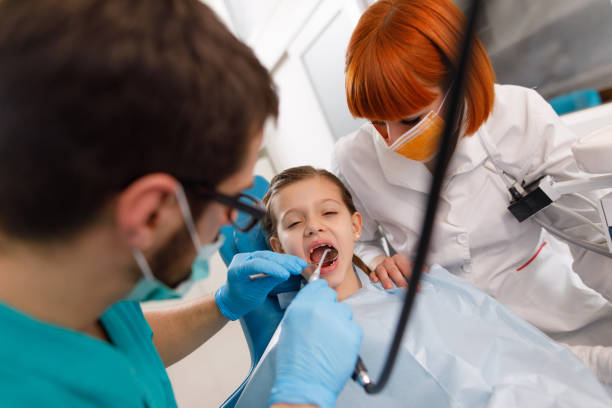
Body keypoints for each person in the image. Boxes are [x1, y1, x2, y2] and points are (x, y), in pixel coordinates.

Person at [0, 1, 362, 407]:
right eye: (230, 201)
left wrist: (223, 304)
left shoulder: (82, 289)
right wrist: (301, 396)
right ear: (151, 211)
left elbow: (130, 348)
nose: (232, 223)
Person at [334, 0, 612, 383]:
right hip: (458, 340)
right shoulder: (354, 159)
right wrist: (376, 262)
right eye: (377, 122)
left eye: (410, 119)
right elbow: (355, 240)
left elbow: (591, 237)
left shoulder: (518, 116)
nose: (392, 139)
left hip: (556, 311)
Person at [232, 165, 612, 407]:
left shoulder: (420, 289)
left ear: (355, 226)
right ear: (279, 248)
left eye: (329, 212)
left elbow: (526, 360)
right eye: (295, 223)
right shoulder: (295, 346)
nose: (314, 226)